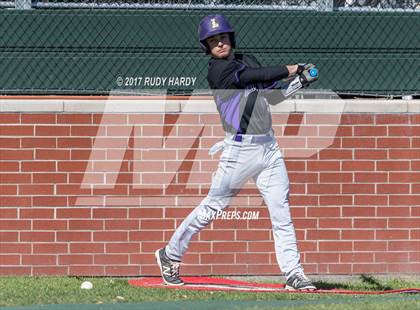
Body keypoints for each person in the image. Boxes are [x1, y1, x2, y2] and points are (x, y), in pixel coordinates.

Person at [155, 14, 317, 291]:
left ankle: (293, 273)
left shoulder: (247, 58)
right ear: (206, 46)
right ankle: (170, 254)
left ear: (231, 37)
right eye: (213, 40)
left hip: (268, 147)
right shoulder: (217, 71)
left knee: (281, 211)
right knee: (212, 207)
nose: (219, 43)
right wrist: (292, 68)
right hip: (239, 150)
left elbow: (272, 96)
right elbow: (252, 77)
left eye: (223, 37)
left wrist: (298, 83)